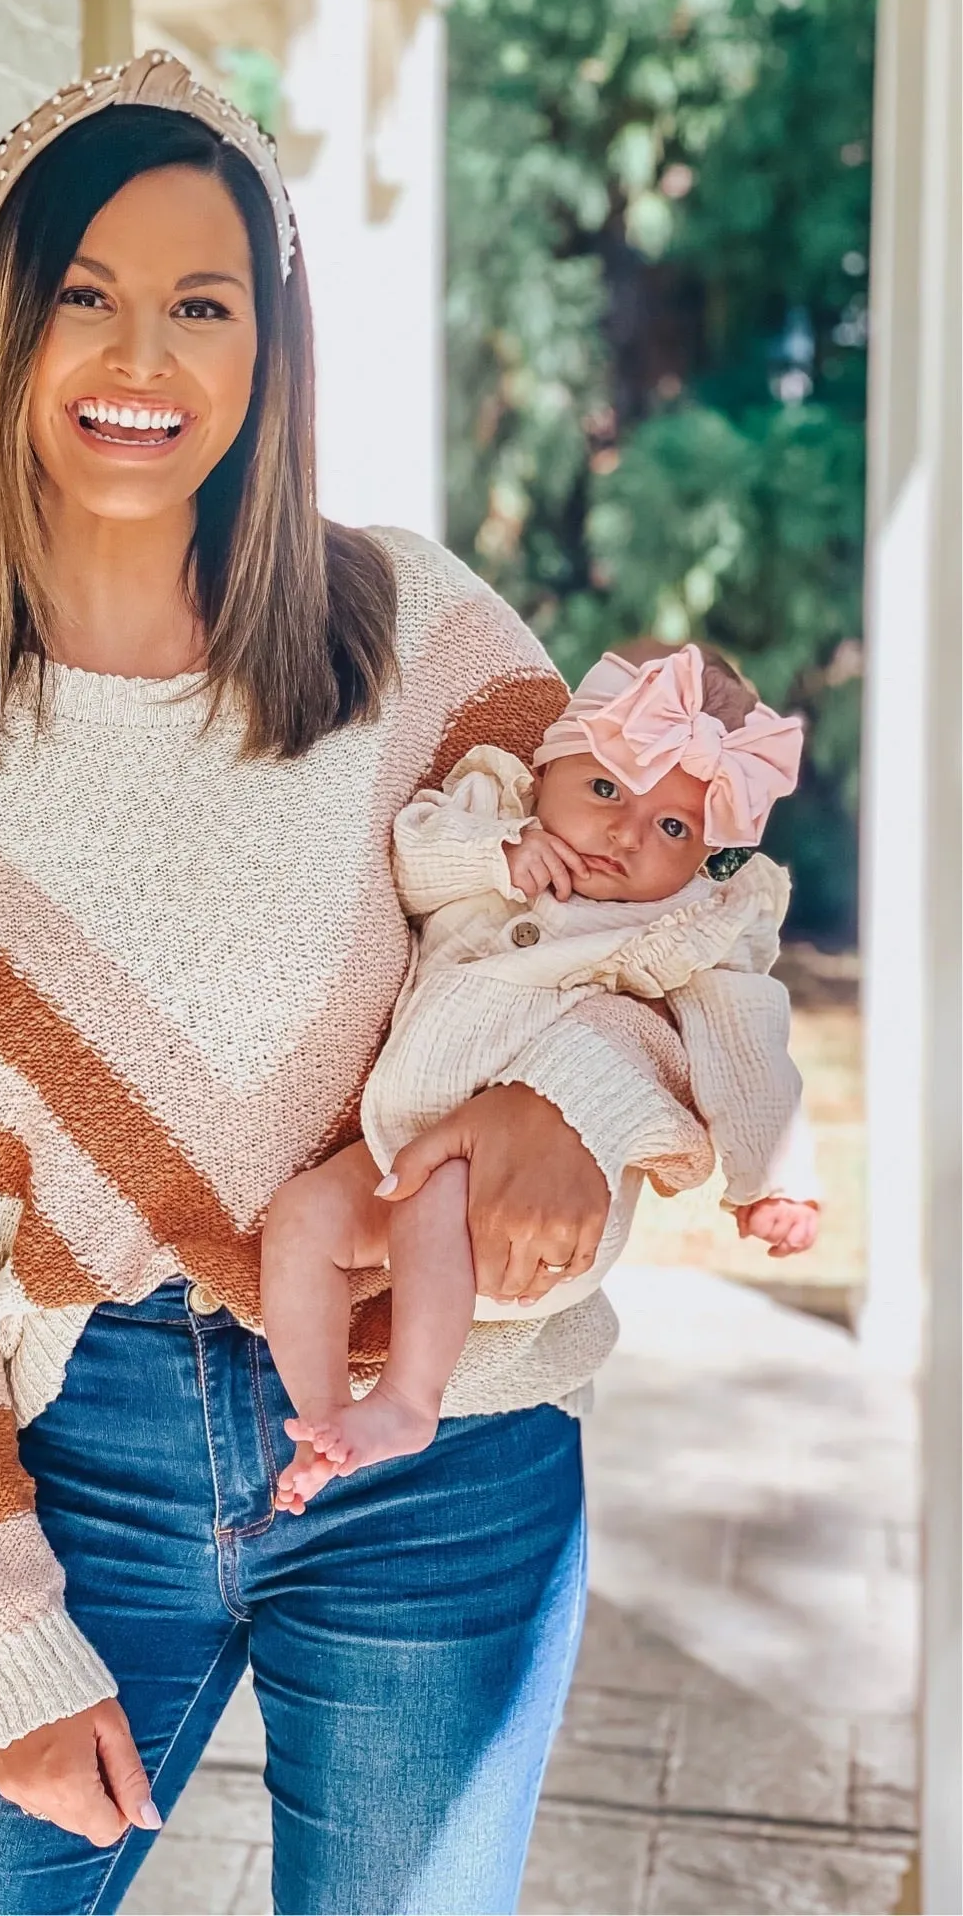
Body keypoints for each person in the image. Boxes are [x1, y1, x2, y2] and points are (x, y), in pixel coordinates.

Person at [0, 54, 717, 1916]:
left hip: (447, 1445)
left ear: (265, 349)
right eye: (82, 294)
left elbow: (648, 931)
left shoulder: (410, 631)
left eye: (202, 303)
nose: (143, 354)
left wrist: (566, 1110)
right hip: (77, 1455)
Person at [263, 642, 821, 1511]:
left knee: (440, 1187)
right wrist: (496, 856)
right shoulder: (490, 809)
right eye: (604, 789)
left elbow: (745, 1041)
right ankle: (327, 1422)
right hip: (399, 1147)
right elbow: (408, 862)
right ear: (548, 760)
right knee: (300, 1220)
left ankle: (408, 1399)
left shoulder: (696, 923)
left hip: (545, 1213)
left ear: (709, 851)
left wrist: (770, 1178)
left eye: (672, 828)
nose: (623, 834)